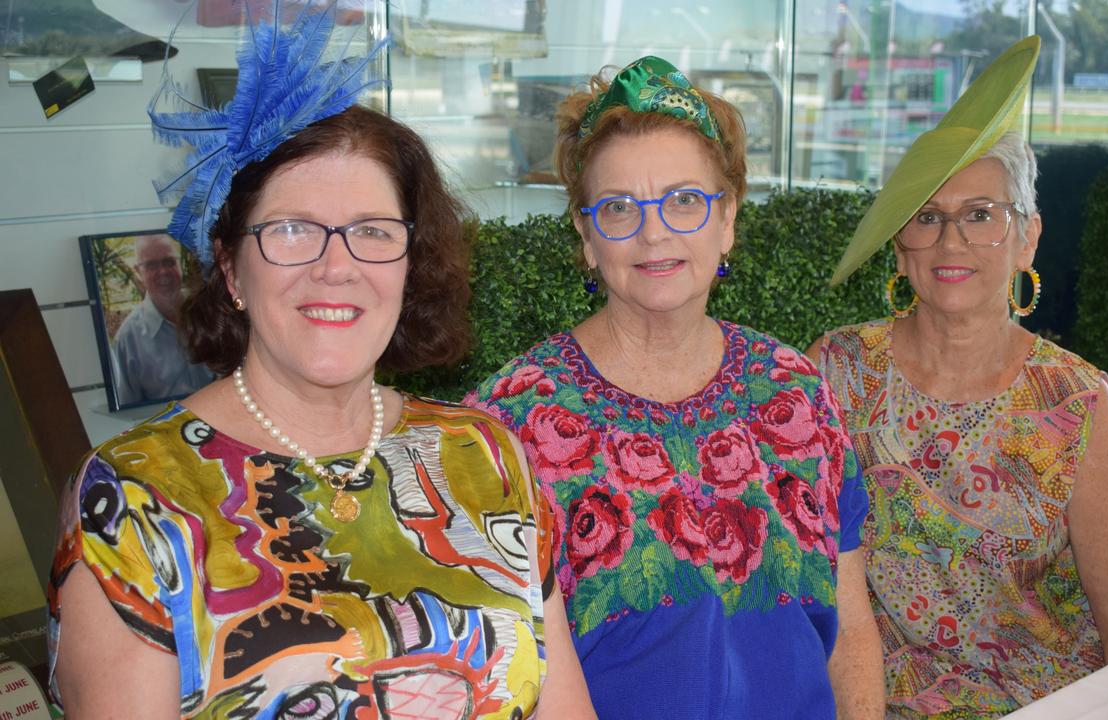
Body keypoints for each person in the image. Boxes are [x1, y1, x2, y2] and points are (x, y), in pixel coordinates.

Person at [47, 7, 595, 718]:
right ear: (232, 269)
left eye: (371, 231)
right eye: (293, 231)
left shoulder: (486, 457)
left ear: (409, 262)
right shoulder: (136, 501)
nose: (337, 267)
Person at [467, 56, 885, 719]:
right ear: (584, 234)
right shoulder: (507, 427)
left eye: (686, 201)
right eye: (619, 207)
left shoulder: (798, 395)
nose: (654, 231)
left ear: (728, 219)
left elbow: (852, 631)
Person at [806, 36, 1108, 718]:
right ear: (897, 244)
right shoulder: (837, 371)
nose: (951, 242)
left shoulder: (1076, 403)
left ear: (1027, 237)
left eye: (980, 216)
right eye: (927, 218)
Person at [110, 233, 215, 406]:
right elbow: (128, 412)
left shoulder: (211, 313)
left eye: (169, 262)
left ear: (179, 264)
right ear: (138, 271)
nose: (163, 272)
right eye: (151, 265)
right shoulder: (128, 339)